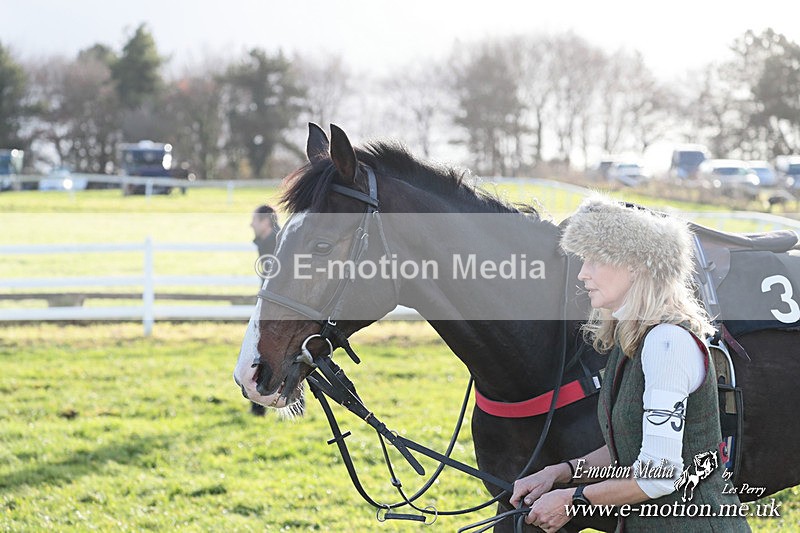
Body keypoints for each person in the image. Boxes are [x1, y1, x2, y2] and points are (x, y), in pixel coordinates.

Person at [510, 195, 749, 532]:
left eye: (594, 260)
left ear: (635, 266)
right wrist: (560, 472)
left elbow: (659, 476)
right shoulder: (636, 340)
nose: (582, 274)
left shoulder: (667, 343)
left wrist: (573, 500)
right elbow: (630, 447)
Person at [248, 204, 281, 416]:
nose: (251, 224)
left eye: (255, 220)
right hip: (272, 308)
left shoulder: (275, 243)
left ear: (266, 221)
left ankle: (258, 407)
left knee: (261, 354)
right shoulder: (268, 242)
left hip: (277, 310)